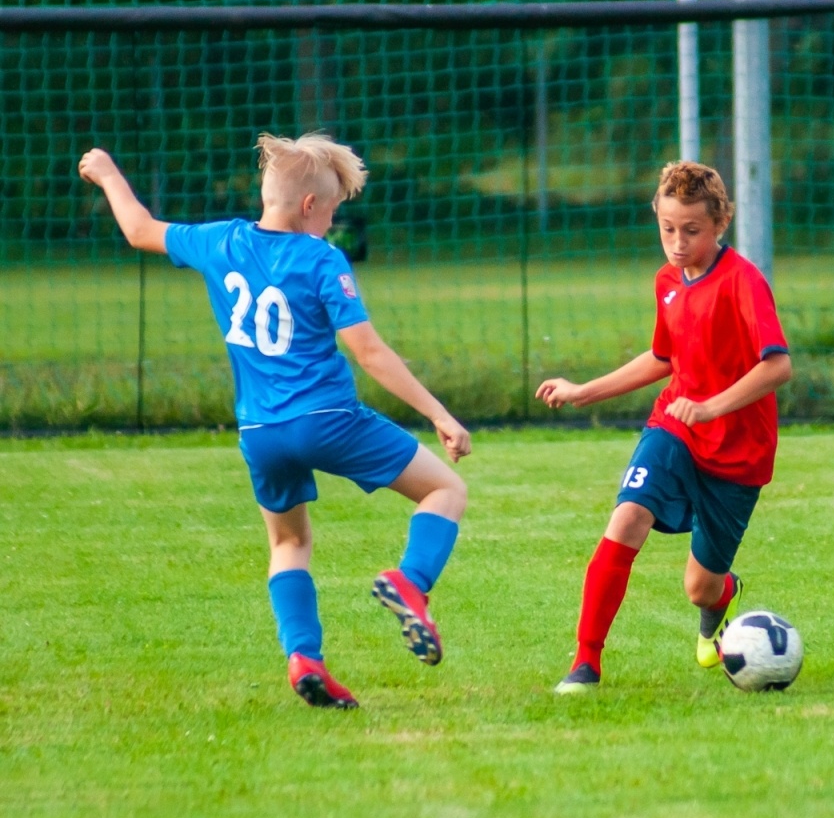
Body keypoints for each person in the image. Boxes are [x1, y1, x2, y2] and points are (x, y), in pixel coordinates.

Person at [78, 133, 470, 710]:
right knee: (445, 490)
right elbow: (369, 352)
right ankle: (410, 583)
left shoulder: (220, 241)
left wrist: (109, 174)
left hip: (260, 432)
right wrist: (439, 413)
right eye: (332, 210)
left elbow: (139, 230)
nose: (332, 222)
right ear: (310, 206)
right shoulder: (321, 259)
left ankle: (304, 659)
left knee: (289, 541)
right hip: (328, 419)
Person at [536, 161, 791, 693]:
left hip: (738, 454)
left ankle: (723, 597)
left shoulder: (743, 282)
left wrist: (713, 407)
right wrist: (584, 390)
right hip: (674, 428)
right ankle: (585, 663)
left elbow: (777, 366)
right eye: (667, 228)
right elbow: (662, 358)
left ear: (721, 223)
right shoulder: (667, 281)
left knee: (700, 588)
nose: (677, 243)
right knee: (627, 516)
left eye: (691, 230)